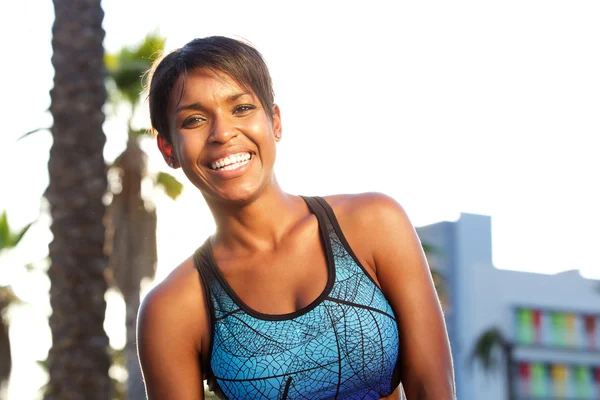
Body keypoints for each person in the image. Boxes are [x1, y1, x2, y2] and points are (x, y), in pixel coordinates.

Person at [137, 36, 455, 400]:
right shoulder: (173, 308)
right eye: (194, 119)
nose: (222, 133)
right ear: (168, 150)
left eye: (241, 108)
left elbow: (433, 389)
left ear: (274, 121)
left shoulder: (374, 224)